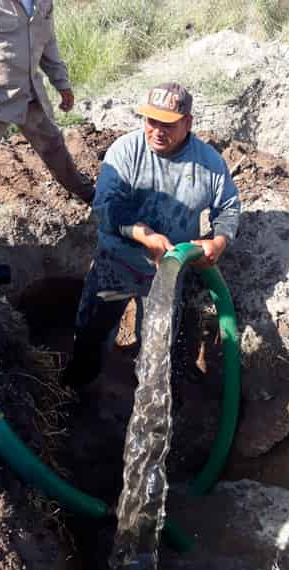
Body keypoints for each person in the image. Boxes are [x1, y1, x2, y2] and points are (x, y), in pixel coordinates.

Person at [61, 82, 241, 390]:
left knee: (158, 352)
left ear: (188, 123)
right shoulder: (126, 151)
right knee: (90, 337)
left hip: (167, 275)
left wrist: (219, 241)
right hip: (114, 265)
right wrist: (142, 235)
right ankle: (77, 392)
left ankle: (150, 398)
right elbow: (105, 207)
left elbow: (228, 208)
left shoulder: (208, 163)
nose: (157, 130)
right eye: (151, 121)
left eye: (167, 124)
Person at [0, 0, 95, 234]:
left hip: (29, 96)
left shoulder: (42, 2)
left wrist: (61, 82)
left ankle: (94, 200)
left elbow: (47, 41)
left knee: (56, 151)